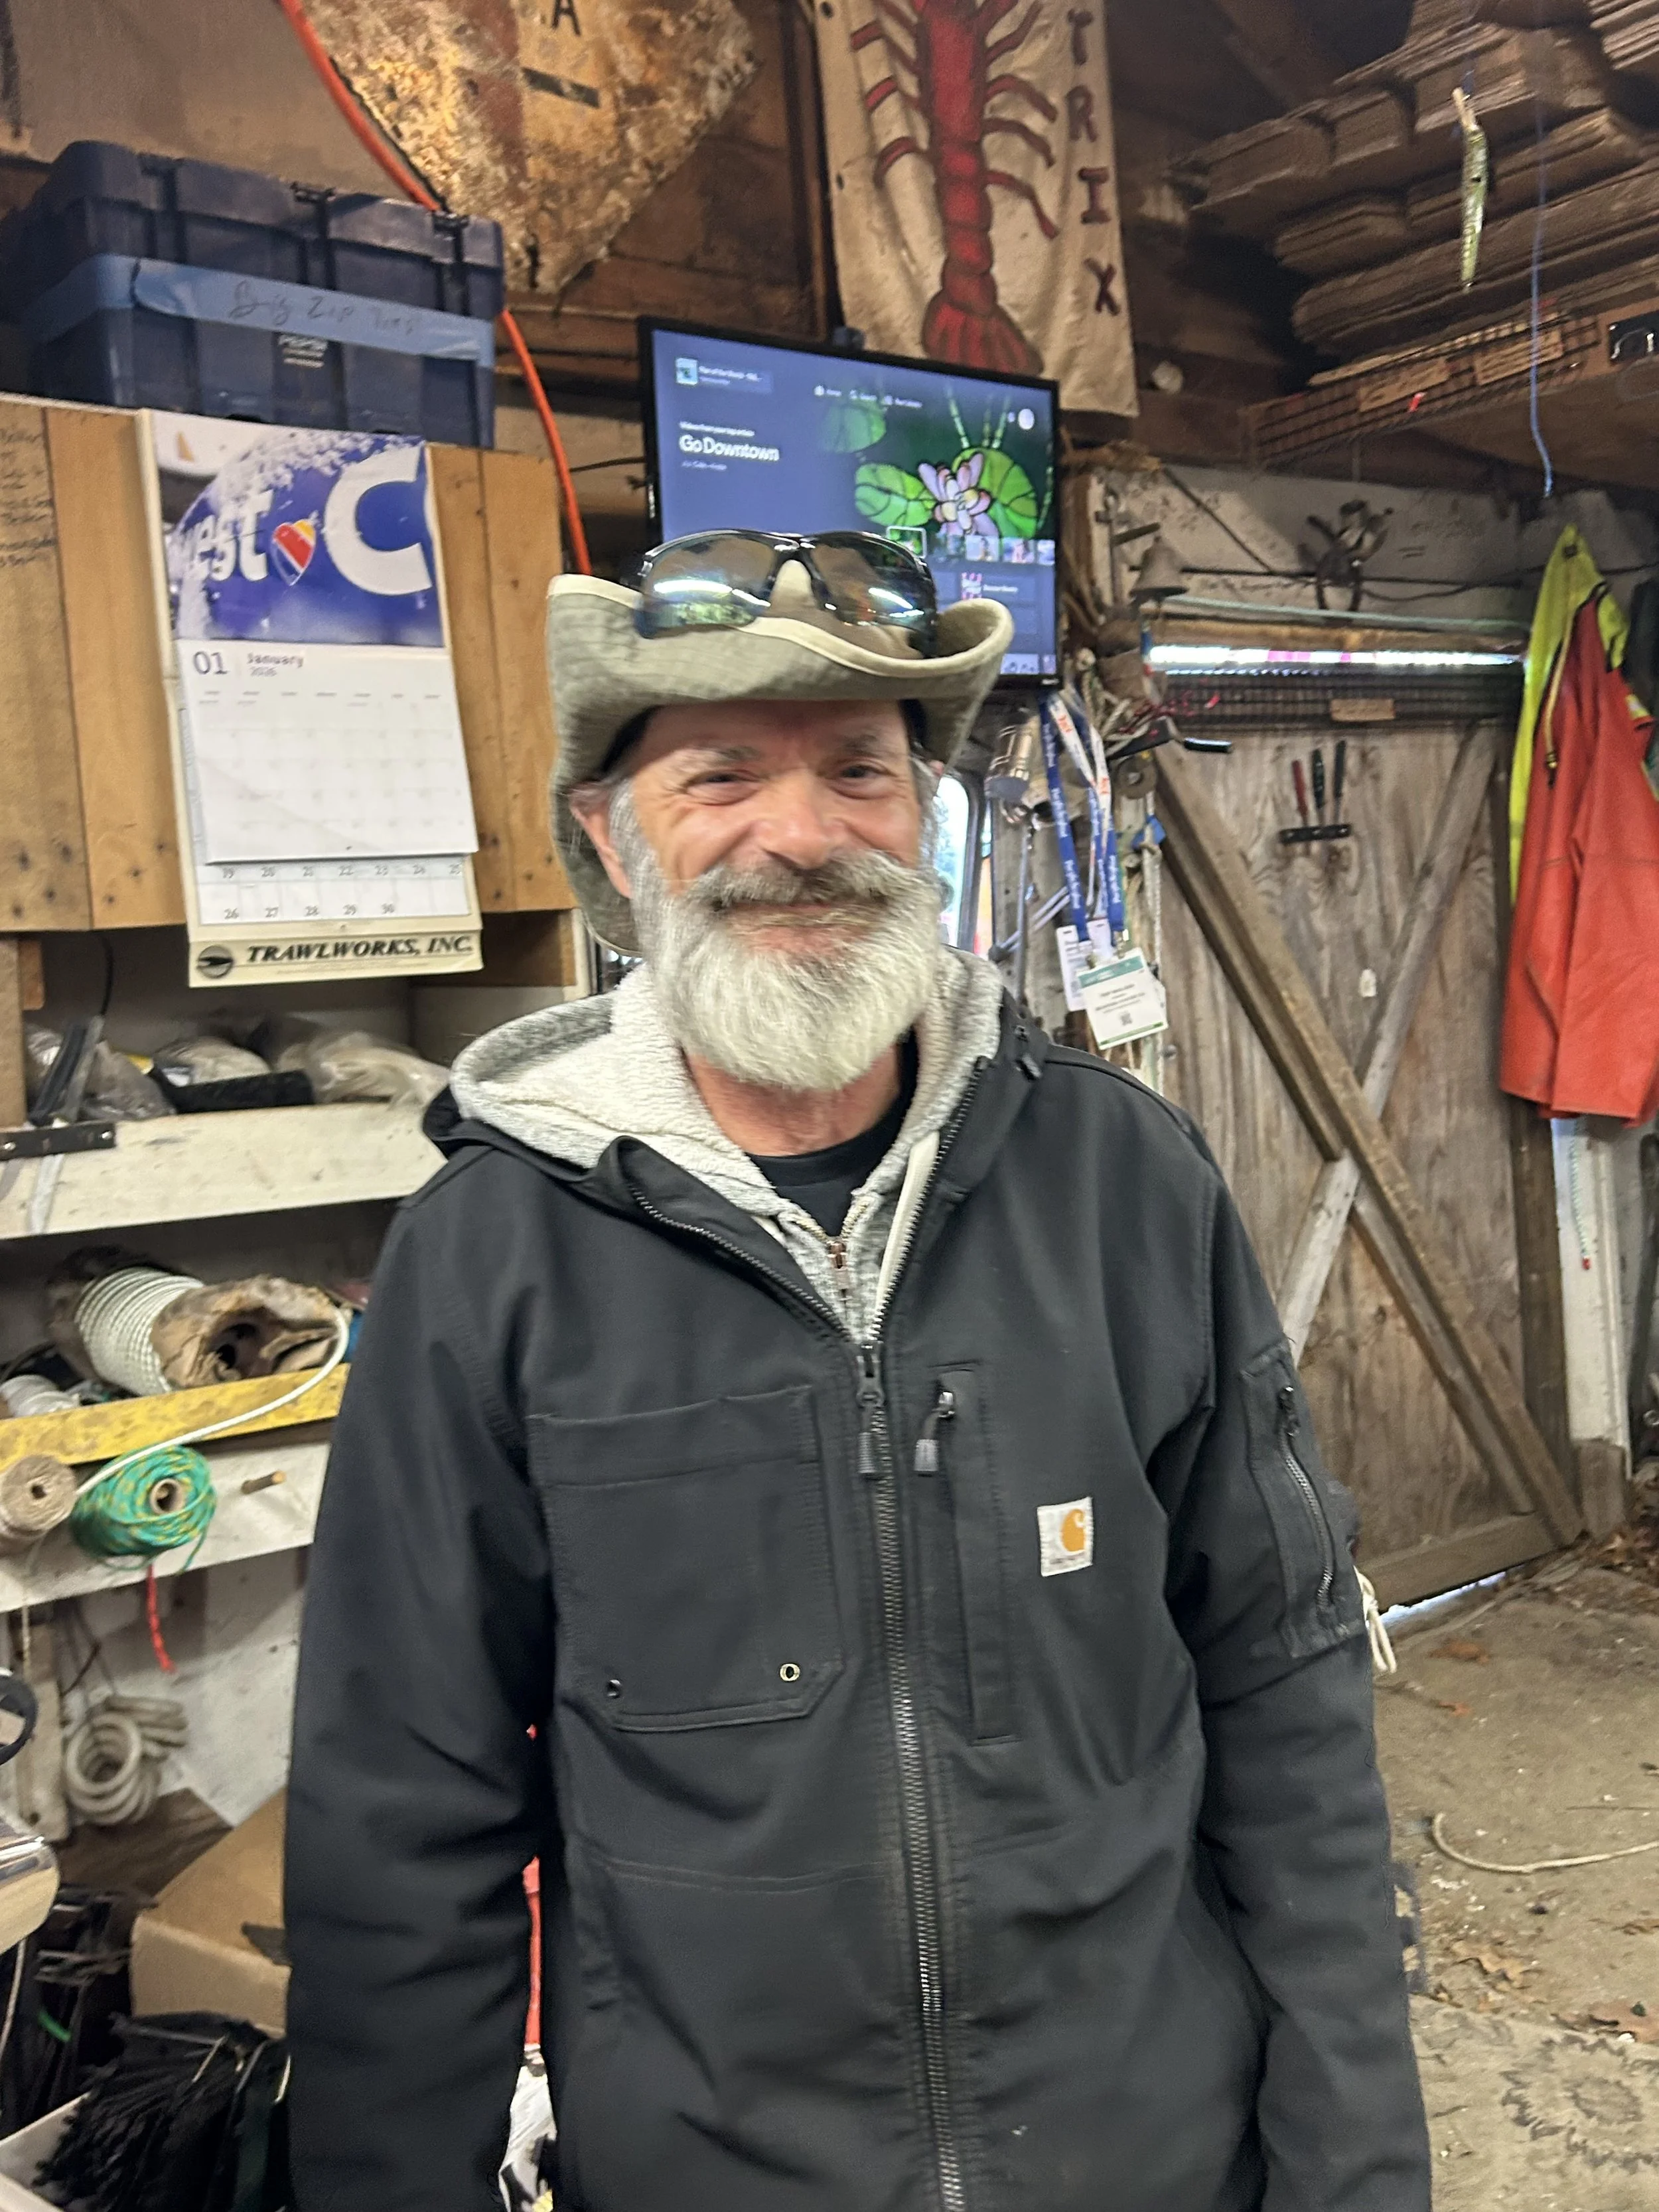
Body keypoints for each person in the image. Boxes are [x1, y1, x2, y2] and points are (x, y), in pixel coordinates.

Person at [286, 530, 1430, 2212]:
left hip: (1146, 2155)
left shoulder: (1125, 1186)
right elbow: (403, 1812)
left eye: (858, 772)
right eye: (720, 775)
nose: (800, 834)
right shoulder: (487, 1256)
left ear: (925, 821)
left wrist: (1351, 2165)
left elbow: (1284, 1685)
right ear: (613, 841)